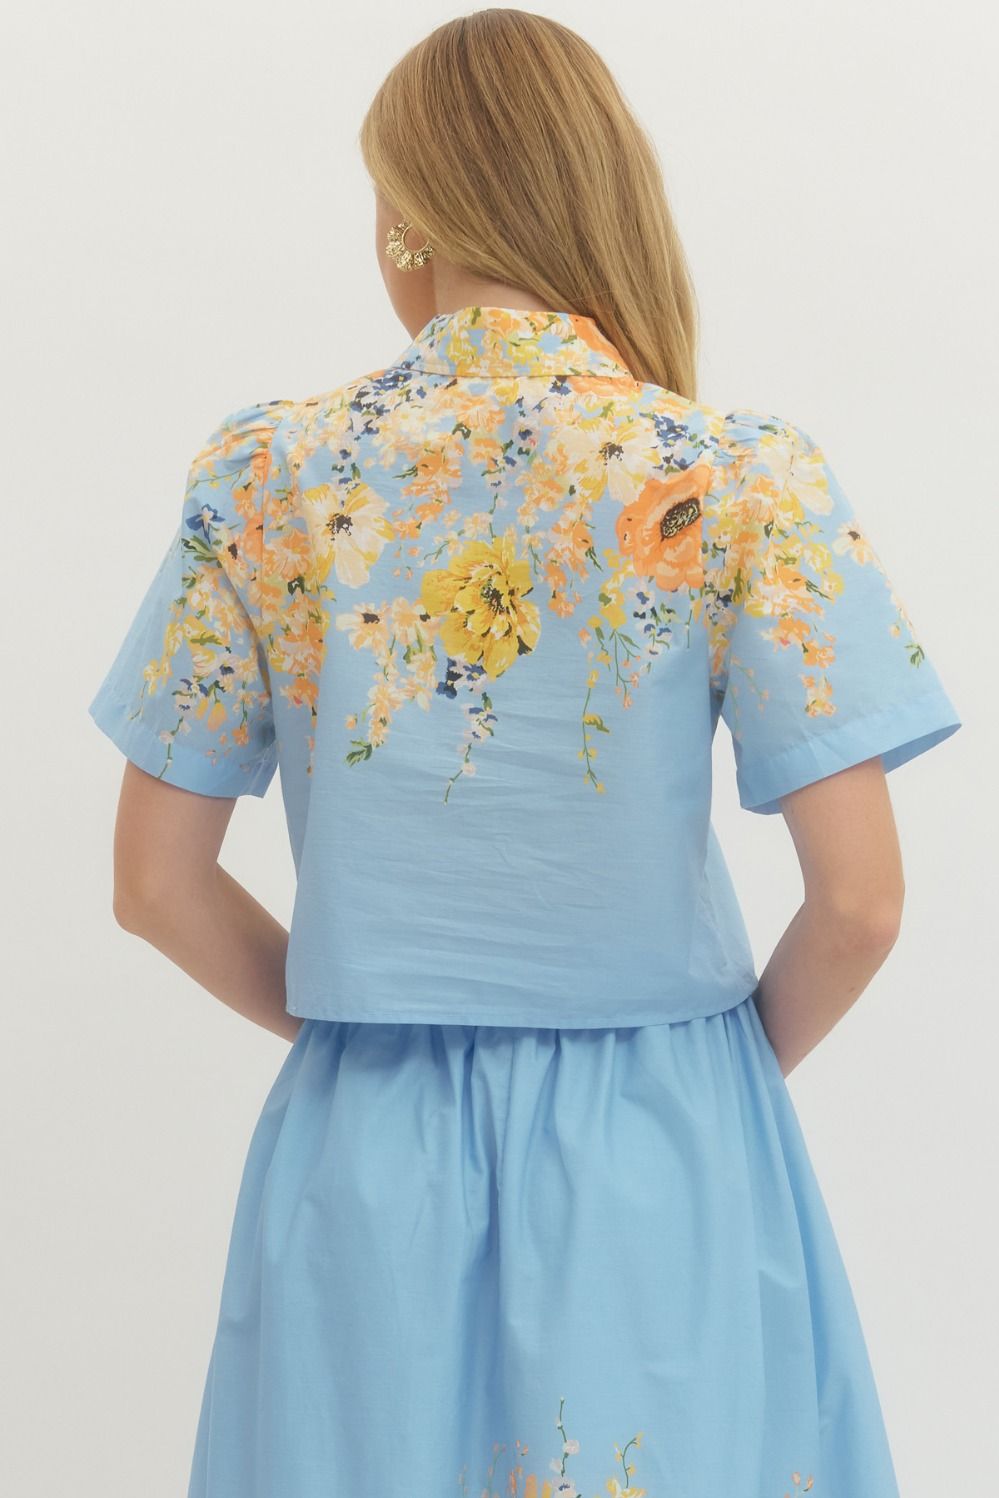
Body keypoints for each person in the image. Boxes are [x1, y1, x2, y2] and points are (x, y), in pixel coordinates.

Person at [88, 10, 962, 1496]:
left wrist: (364, 1024)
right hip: (669, 1134)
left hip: (364, 1145)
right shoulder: (732, 476)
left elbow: (154, 885)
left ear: (407, 214)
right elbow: (864, 904)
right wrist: (716, 1075)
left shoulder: (269, 476)